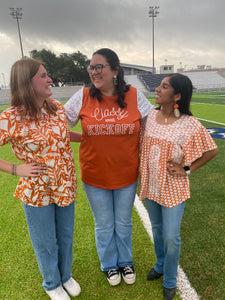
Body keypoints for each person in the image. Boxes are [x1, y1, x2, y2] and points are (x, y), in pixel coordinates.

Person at [64, 48, 154, 286]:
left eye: (99, 66)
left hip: (127, 174)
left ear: (115, 70)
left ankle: (125, 261)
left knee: (123, 222)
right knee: (104, 224)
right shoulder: (82, 96)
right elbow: (58, 125)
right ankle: (109, 265)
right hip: (94, 176)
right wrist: (83, 138)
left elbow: (152, 126)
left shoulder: (135, 95)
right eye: (91, 67)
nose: (94, 71)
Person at [0, 57, 82, 300]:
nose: (50, 80)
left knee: (66, 235)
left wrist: (92, 136)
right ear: (27, 82)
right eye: (43, 76)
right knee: (45, 241)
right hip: (36, 189)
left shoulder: (55, 107)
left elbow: (63, 134)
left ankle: (65, 276)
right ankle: (51, 283)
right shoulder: (10, 117)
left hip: (64, 183)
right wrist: (16, 169)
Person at [139, 73, 218, 300]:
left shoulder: (189, 123)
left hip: (173, 188)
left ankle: (170, 280)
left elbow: (212, 150)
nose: (158, 90)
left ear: (177, 95)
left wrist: (187, 169)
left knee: (171, 237)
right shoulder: (150, 117)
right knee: (157, 230)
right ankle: (161, 264)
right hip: (152, 185)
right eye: (159, 85)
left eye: (164, 87)